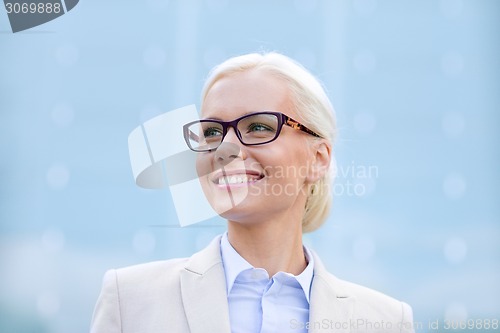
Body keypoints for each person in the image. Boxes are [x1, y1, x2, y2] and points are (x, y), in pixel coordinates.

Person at [90, 52, 414, 333]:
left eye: (258, 127)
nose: (227, 149)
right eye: (212, 132)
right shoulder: (130, 301)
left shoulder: (384, 322)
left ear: (318, 159)